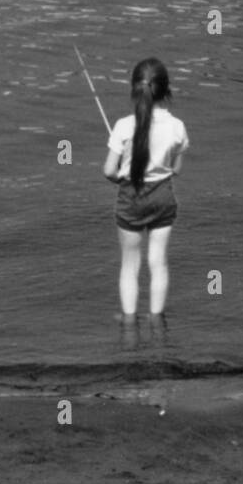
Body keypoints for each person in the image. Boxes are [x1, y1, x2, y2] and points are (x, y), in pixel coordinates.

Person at [103, 57, 188, 325]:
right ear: (166, 90)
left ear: (134, 89)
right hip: (163, 197)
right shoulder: (177, 127)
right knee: (158, 262)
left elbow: (108, 170)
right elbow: (176, 168)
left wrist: (121, 179)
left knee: (130, 265)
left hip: (131, 197)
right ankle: (156, 320)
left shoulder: (123, 126)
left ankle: (129, 324)